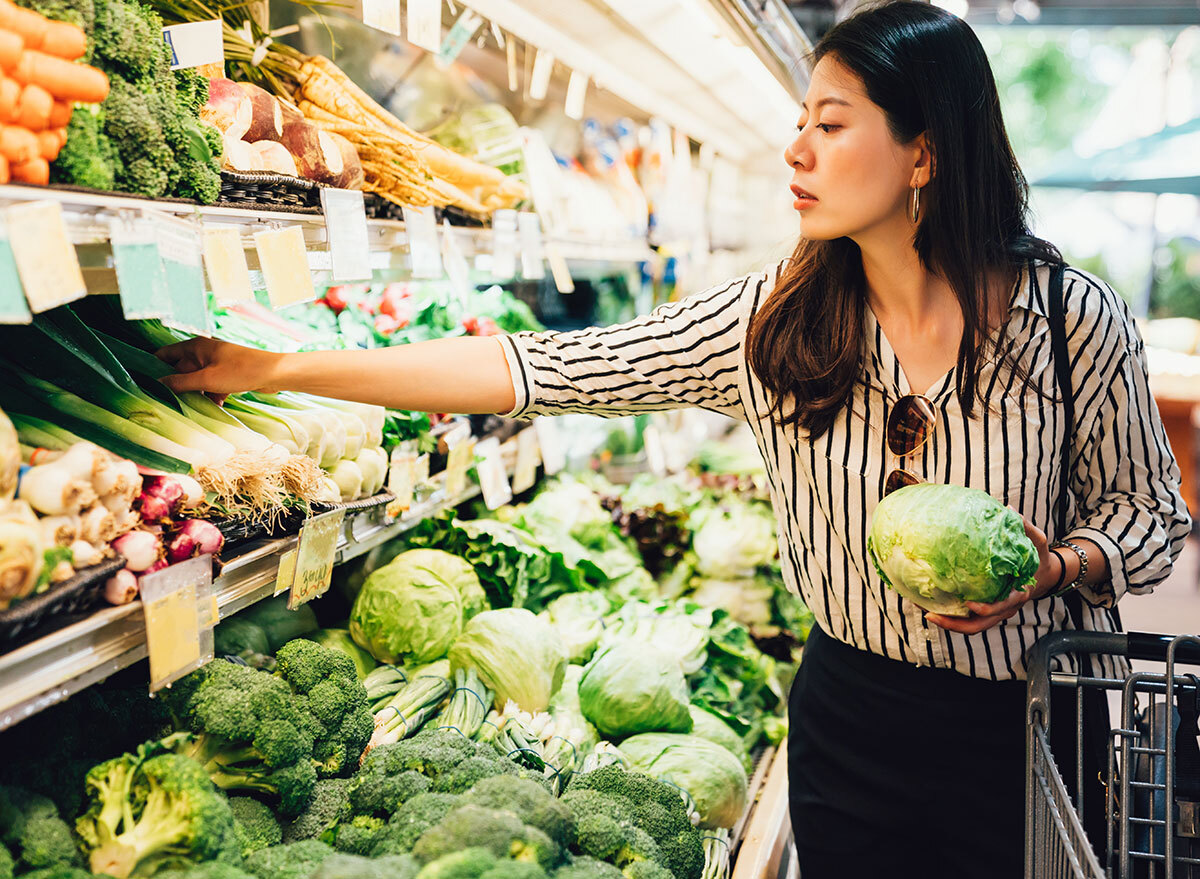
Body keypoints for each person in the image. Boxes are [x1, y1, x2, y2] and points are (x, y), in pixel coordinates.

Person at [159, 2, 1191, 875]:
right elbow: (538, 370)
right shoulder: (774, 326)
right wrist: (276, 368)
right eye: (801, 122)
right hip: (853, 719)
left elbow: (1150, 516)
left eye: (831, 125)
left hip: (1026, 733)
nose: (796, 151)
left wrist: (1054, 563)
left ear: (923, 151)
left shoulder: (1068, 320)